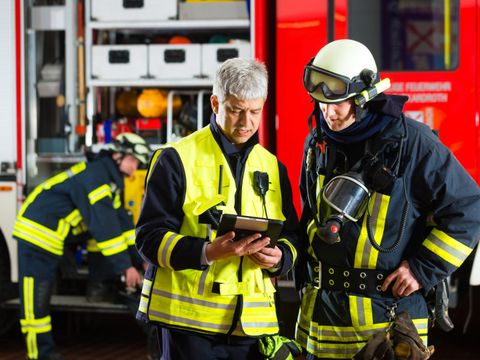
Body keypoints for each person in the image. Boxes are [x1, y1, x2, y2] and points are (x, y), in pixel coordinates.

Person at [295, 38, 480, 359]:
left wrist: (423, 269)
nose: (328, 111)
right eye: (320, 101)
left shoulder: (412, 143)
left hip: (389, 324)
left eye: (338, 101)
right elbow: (310, 217)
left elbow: (469, 210)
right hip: (323, 322)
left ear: (365, 97)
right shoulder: (318, 143)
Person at [135, 57, 300, 360]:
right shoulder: (175, 159)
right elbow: (148, 239)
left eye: (254, 112)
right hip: (188, 325)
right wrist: (208, 252)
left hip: (251, 329)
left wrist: (280, 258)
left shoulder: (273, 167)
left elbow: (292, 236)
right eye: (236, 110)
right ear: (215, 103)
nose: (246, 122)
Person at [13, 132, 150, 360]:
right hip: (36, 237)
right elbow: (106, 229)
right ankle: (40, 355)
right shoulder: (97, 177)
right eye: (133, 161)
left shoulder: (109, 179)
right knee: (36, 304)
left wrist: (142, 259)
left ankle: (44, 353)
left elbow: (122, 224)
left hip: (52, 239)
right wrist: (126, 268)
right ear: (118, 155)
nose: (135, 168)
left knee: (41, 301)